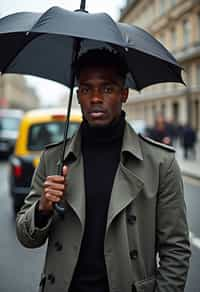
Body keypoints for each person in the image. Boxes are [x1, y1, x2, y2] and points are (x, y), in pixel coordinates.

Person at [16, 49, 191, 292]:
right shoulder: (54, 157)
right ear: (78, 96)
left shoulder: (160, 162)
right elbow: (26, 237)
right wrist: (43, 208)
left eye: (107, 89)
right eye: (87, 89)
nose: (95, 98)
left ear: (124, 94)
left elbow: (176, 249)